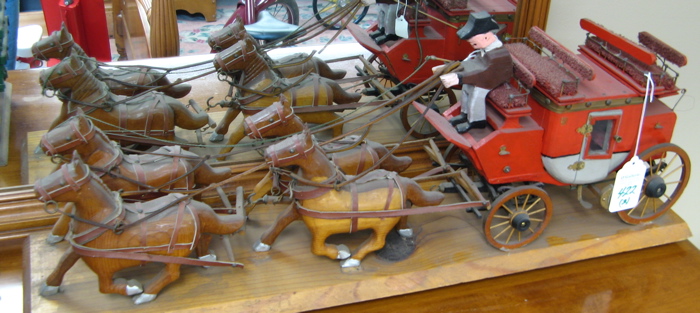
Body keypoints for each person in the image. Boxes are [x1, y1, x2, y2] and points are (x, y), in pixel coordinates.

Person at [437, 11, 513, 134]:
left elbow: (485, 72)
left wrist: (460, 77)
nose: (474, 46)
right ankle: (465, 114)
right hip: (484, 75)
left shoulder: (497, 55)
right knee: (466, 88)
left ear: (486, 37)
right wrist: (458, 69)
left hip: (494, 78)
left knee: (477, 94)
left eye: (475, 43)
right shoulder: (485, 49)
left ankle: (476, 121)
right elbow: (476, 63)